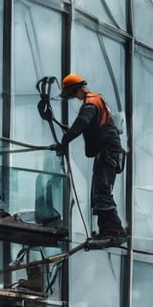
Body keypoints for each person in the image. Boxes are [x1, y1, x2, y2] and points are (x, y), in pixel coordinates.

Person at [56, 73, 126, 239]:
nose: (75, 97)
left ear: (80, 88)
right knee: (98, 192)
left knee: (102, 192)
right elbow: (92, 126)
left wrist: (64, 141)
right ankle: (106, 231)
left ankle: (115, 229)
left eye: (74, 94)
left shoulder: (91, 103)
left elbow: (82, 123)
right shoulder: (98, 102)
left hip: (108, 152)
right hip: (108, 152)